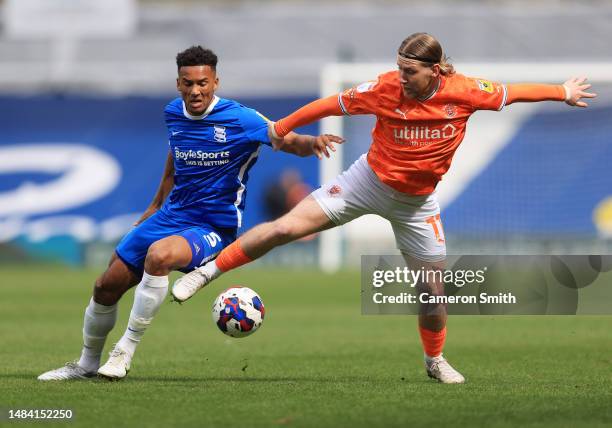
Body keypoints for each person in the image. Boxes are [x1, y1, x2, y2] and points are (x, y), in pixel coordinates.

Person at [171, 33, 597, 384]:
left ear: (435, 70)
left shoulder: (464, 91)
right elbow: (330, 104)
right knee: (287, 227)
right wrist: (283, 126)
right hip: (366, 182)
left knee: (432, 292)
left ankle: (435, 360)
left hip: (417, 204)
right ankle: (206, 272)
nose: (402, 78)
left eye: (410, 72)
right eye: (399, 69)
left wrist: (563, 92)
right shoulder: (383, 89)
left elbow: (514, 93)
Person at [37, 46, 343, 381]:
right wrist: (153, 208)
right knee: (106, 286)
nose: (195, 90)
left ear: (215, 81)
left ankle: (124, 351)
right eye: (188, 83)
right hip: (170, 214)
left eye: (202, 82)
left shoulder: (241, 119)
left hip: (213, 225)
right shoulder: (173, 113)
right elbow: (175, 162)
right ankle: (85, 364)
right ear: (178, 83)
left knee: (159, 256)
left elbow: (285, 139)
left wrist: (311, 143)